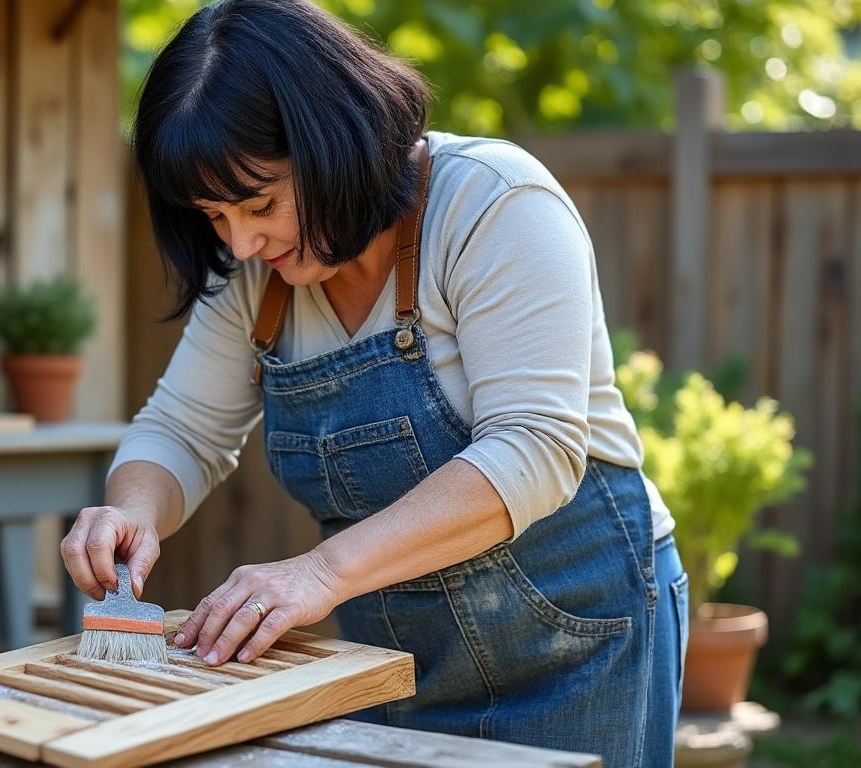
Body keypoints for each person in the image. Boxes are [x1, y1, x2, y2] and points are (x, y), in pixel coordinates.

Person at [60, 1, 688, 765]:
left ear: (337, 142)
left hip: (578, 633)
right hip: (392, 662)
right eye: (213, 215)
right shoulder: (255, 273)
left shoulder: (494, 202)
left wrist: (321, 573)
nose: (240, 241)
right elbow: (181, 429)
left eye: (260, 204)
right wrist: (130, 511)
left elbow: (537, 447)